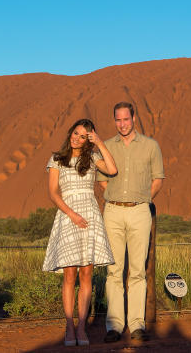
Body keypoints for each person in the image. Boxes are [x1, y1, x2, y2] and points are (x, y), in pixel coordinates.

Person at [42, 118, 118, 347]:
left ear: (88, 139)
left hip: (90, 215)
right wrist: (71, 214)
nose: (77, 138)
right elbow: (53, 193)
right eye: (76, 133)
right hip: (68, 216)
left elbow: (112, 169)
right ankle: (68, 326)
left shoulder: (92, 157)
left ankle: (82, 327)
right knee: (69, 275)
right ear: (70, 133)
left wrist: (100, 143)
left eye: (83, 136)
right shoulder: (56, 159)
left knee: (87, 275)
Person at [97, 102, 165, 343]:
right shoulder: (106, 146)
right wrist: (117, 200)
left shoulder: (150, 146)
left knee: (137, 270)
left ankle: (137, 324)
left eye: (126, 119)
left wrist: (143, 200)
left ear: (134, 118)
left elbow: (158, 178)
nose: (122, 124)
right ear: (114, 120)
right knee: (114, 270)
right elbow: (102, 181)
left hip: (139, 211)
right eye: (118, 120)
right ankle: (114, 325)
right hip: (113, 211)